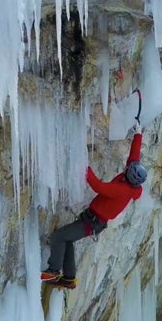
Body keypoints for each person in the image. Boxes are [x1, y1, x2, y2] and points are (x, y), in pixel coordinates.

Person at [41, 123, 147, 289]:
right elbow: (134, 158)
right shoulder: (131, 181)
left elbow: (98, 186)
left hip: (91, 223)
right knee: (67, 239)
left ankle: (54, 270)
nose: (127, 168)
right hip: (91, 219)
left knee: (59, 237)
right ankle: (69, 278)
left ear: (130, 176)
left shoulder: (122, 190)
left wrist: (85, 166)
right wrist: (138, 135)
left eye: (128, 169)